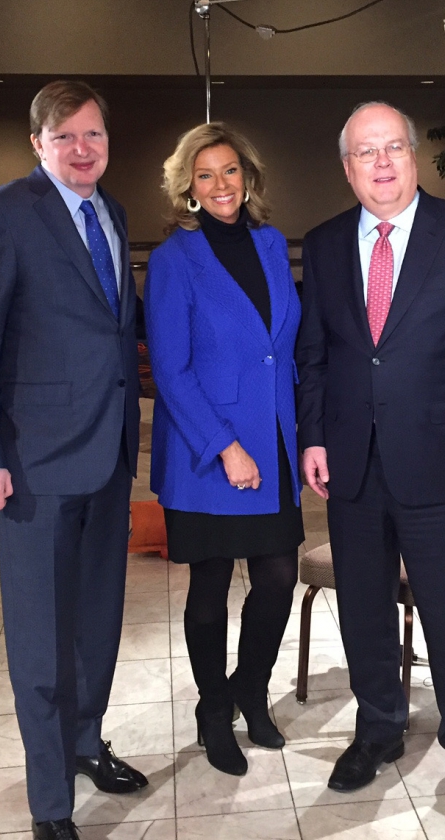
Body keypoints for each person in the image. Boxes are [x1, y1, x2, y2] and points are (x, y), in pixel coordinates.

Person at [295, 101, 445, 820]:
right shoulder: (327, 241)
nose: (382, 163)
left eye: (393, 147)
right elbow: (317, 356)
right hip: (352, 468)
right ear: (347, 167)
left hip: (444, 463)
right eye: (365, 153)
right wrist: (312, 436)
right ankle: (378, 730)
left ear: (413, 154)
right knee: (364, 609)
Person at [0, 80, 147, 840]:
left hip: (108, 454)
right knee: (40, 635)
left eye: (93, 134)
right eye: (64, 136)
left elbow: (110, 331)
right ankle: (49, 804)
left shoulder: (115, 213)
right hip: (31, 464)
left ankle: (86, 741)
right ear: (37, 142)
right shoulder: (2, 213)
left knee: (98, 622)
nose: (82, 149)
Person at [144, 122, 303, 776]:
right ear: (187, 187)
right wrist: (226, 446)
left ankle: (250, 687)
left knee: (277, 577)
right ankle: (215, 710)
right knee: (209, 585)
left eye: (230, 171)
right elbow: (171, 370)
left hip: (274, 441)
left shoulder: (270, 244)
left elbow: (281, 346)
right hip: (207, 450)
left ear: (248, 177)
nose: (220, 185)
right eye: (205, 175)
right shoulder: (173, 260)